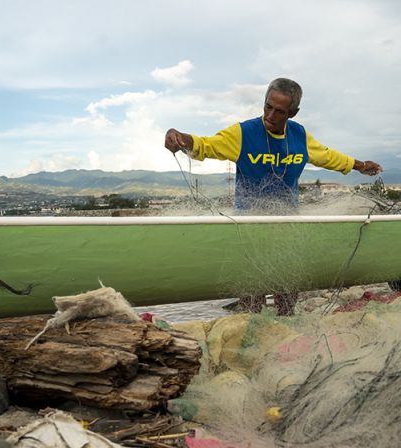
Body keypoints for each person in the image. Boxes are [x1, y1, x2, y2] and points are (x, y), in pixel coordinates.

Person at [164, 77, 383, 313]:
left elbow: (328, 156)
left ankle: (286, 324)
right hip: (249, 225)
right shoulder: (244, 133)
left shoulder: (299, 136)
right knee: (253, 293)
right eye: (268, 106)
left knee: (288, 287)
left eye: (279, 111)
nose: (270, 115)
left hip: (287, 221)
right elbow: (205, 145)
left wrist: (360, 166)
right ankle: (252, 325)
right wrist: (178, 136)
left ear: (293, 112)